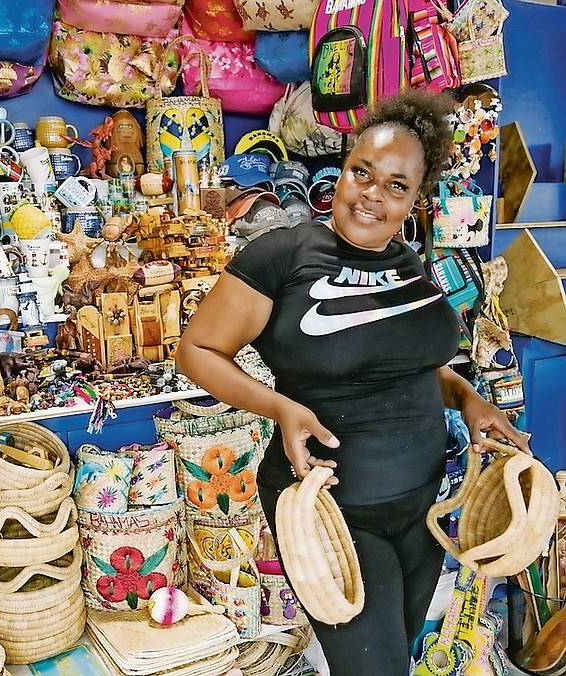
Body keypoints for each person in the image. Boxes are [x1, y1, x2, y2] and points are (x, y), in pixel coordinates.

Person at [175, 90, 530, 676]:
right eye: (361, 173)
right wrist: (281, 408)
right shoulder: (282, 255)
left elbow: (405, 363)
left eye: (396, 185)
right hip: (334, 510)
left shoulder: (409, 263)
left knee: (401, 649)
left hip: (420, 504)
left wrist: (468, 398)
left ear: (416, 200)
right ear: (341, 173)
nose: (372, 195)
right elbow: (198, 350)